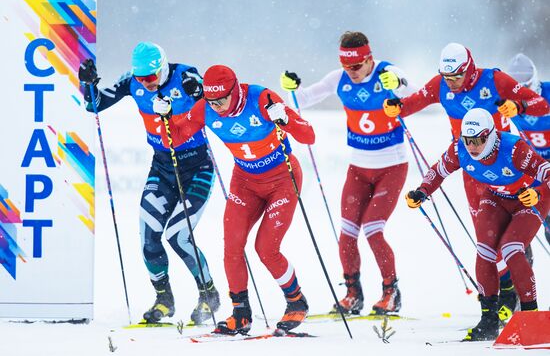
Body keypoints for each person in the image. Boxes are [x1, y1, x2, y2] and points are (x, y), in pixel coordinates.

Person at [383, 42, 549, 320]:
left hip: (505, 160)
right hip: (472, 167)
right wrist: (394, 106)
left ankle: (519, 297)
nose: (452, 83)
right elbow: (410, 105)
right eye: (447, 77)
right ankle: (502, 298)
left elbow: (540, 104)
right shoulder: (441, 85)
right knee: (486, 240)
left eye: (457, 76)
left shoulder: (494, 80)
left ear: (469, 69)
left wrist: (516, 105)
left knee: (512, 238)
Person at [155, 64, 316, 334]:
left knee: (266, 248)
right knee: (232, 246)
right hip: (245, 182)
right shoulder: (205, 107)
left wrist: (286, 121)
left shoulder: (262, 99)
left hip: (282, 180)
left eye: (222, 100)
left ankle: (296, 301)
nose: (216, 106)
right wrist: (166, 117)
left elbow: (309, 135)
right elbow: (173, 139)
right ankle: (241, 312)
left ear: (235, 90)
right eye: (211, 100)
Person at [78, 42, 220, 324]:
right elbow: (93, 105)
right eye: (142, 79)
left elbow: (215, 103)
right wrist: (88, 84)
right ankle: (164, 299)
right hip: (163, 167)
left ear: (163, 67)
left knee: (179, 236)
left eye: (151, 78)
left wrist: (200, 95)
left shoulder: (186, 76)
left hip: (197, 167)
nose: (147, 84)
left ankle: (209, 295)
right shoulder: (133, 83)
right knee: (149, 236)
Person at [280, 31, 417, 315]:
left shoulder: (388, 72)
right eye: (346, 66)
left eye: (356, 66)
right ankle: (353, 294)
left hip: (391, 165)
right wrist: (291, 87)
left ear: (369, 59)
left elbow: (414, 93)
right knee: (347, 232)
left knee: (373, 230)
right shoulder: (338, 78)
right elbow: (301, 100)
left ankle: (391, 292)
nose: (351, 72)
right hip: (358, 168)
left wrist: (399, 85)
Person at [405, 108, 550, 341]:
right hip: (496, 198)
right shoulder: (458, 149)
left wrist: (537, 193)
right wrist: (421, 192)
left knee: (512, 249)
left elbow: (547, 173)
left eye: (479, 140)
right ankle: (489, 319)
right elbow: (437, 171)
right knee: (485, 251)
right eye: (468, 140)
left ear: (491, 135)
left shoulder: (513, 148)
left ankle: (531, 315)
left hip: (527, 199)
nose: (472, 146)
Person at [507, 53, 550, 246]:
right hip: (532, 165)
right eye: (519, 89)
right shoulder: (508, 103)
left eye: (529, 86)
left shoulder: (547, 92)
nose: (525, 92)